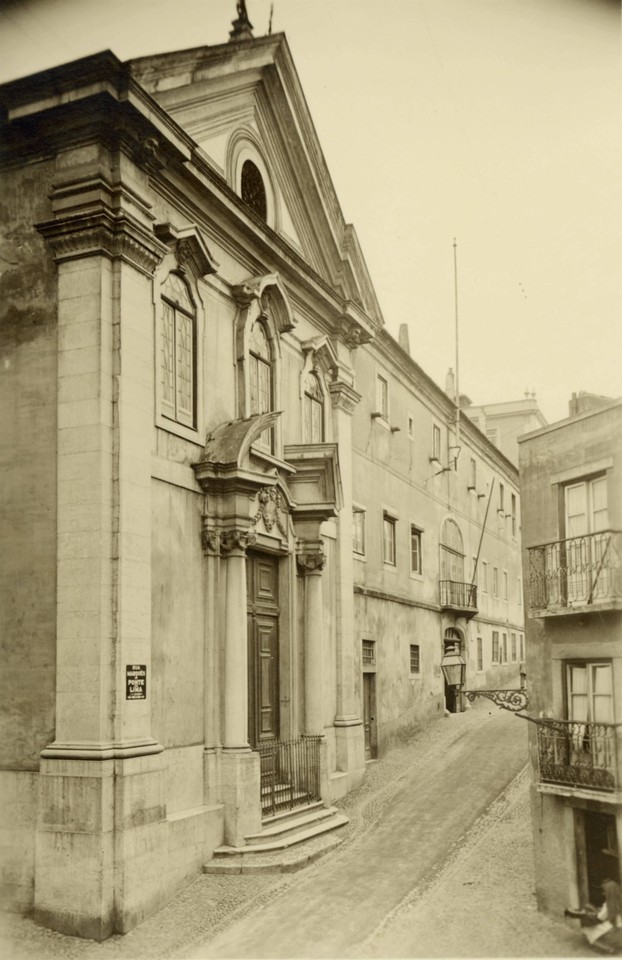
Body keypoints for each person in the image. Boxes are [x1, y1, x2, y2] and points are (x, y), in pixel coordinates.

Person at [566, 880, 622, 955]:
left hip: (615, 934)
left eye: (604, 892)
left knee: (588, 929)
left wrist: (586, 914)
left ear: (608, 893)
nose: (603, 893)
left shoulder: (608, 905)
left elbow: (599, 919)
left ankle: (609, 949)